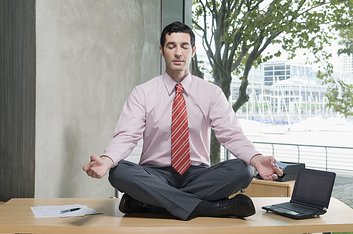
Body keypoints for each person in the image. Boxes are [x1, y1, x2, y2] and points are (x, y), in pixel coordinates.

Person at [83, 21, 283, 221]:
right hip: (155, 175)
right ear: (162, 50)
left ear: (193, 50)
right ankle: (208, 208)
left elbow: (231, 135)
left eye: (184, 46)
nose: (178, 52)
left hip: (198, 175)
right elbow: (127, 135)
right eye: (171, 46)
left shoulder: (211, 93)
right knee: (118, 172)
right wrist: (107, 161)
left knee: (243, 170)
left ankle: (150, 204)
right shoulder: (143, 93)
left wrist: (256, 159)